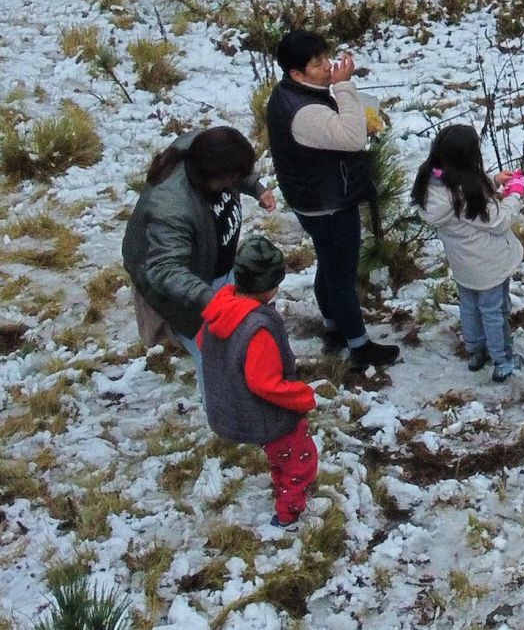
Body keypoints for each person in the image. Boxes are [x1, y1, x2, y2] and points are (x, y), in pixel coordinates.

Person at [266, 30, 401, 371]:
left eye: (326, 58)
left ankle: (332, 324)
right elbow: (352, 139)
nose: (328, 67)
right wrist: (344, 87)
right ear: (297, 73)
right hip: (328, 203)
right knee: (341, 273)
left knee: (328, 263)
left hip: (312, 197)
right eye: (318, 64)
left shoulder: (290, 94)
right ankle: (358, 344)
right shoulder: (304, 111)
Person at [121, 127, 275, 385]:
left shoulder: (202, 148)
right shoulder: (170, 207)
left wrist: (257, 188)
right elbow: (166, 270)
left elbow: (238, 170)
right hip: (187, 291)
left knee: (230, 348)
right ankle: (223, 415)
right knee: (215, 358)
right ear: (213, 178)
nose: (235, 182)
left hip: (216, 271)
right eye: (232, 179)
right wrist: (212, 301)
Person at [197, 236, 319, 531]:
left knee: (281, 454)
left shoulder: (220, 308)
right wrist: (302, 396)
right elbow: (265, 384)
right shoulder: (258, 327)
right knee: (301, 462)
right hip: (267, 414)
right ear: (269, 287)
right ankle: (288, 516)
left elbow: (204, 343)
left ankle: (281, 482)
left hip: (234, 406)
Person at [414, 126, 524, 382]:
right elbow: (500, 221)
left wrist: (492, 181)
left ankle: (476, 351)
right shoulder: (468, 196)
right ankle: (503, 359)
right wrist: (515, 194)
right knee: (494, 311)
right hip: (490, 264)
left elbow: (458, 182)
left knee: (469, 307)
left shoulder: (432, 182)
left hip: (464, 266)